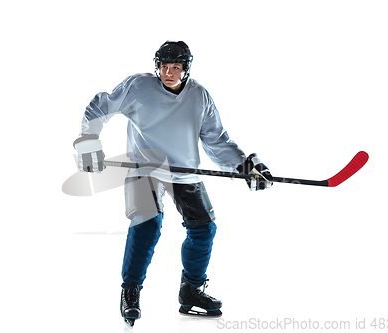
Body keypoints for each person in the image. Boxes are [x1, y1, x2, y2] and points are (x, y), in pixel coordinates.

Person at [74, 41, 273, 327]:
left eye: (175, 67)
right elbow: (101, 105)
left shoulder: (199, 96)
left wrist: (245, 166)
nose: (168, 72)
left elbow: (216, 139)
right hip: (145, 168)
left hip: (184, 171)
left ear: (186, 69)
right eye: (164, 66)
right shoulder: (138, 87)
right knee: (147, 224)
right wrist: (88, 141)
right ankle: (130, 290)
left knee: (204, 228)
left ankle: (191, 289)